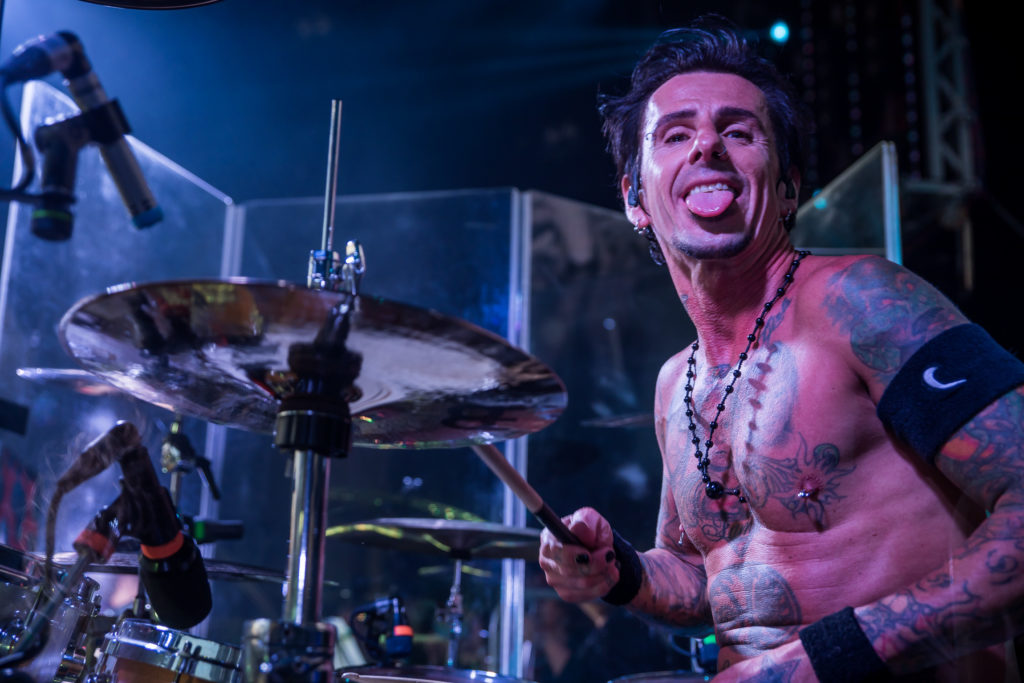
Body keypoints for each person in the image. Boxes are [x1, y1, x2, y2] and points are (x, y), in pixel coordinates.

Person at [537, 16, 1024, 682]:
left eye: (739, 131)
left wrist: (831, 657)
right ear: (635, 198)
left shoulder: (862, 301)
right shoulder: (675, 383)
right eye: (675, 134)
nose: (707, 144)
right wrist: (616, 570)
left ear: (788, 185)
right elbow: (710, 579)